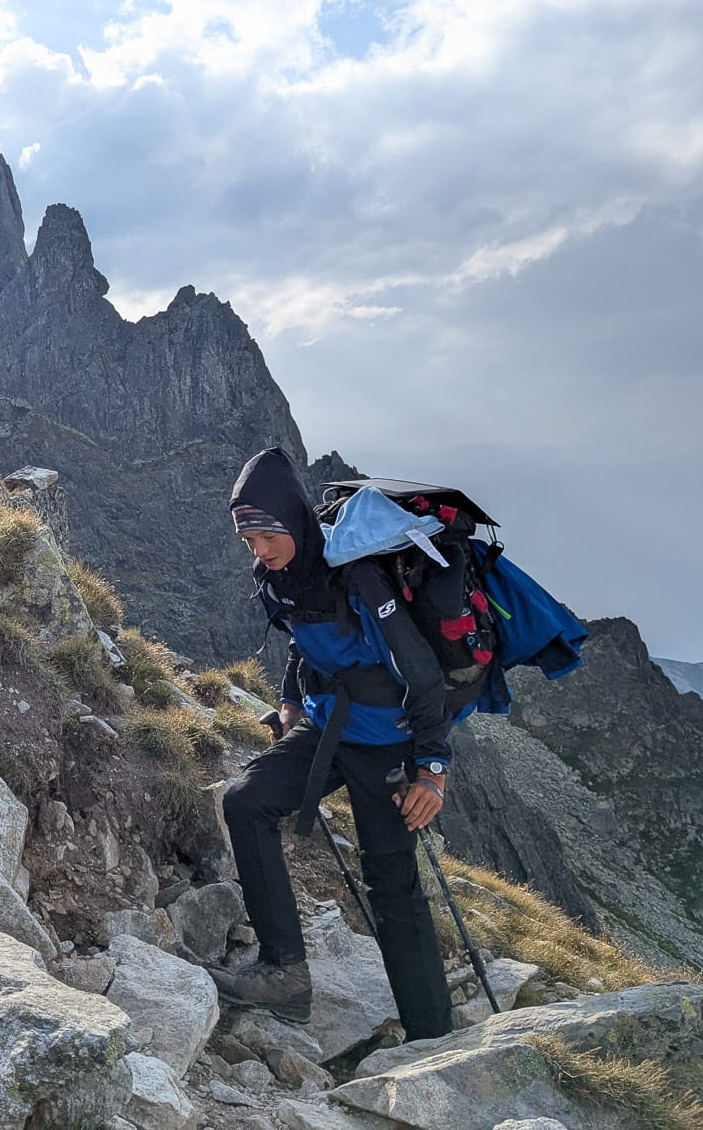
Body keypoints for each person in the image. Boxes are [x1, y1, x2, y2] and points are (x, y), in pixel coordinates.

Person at [209, 446, 455, 1041]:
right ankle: (284, 973)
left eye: (268, 534)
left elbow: (422, 674)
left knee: (391, 886)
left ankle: (432, 1037)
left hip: (387, 747)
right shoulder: (278, 578)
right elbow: (299, 640)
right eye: (249, 540)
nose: (261, 550)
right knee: (246, 801)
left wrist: (432, 768)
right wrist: (292, 700)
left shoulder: (359, 574)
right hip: (324, 731)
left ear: (292, 520)